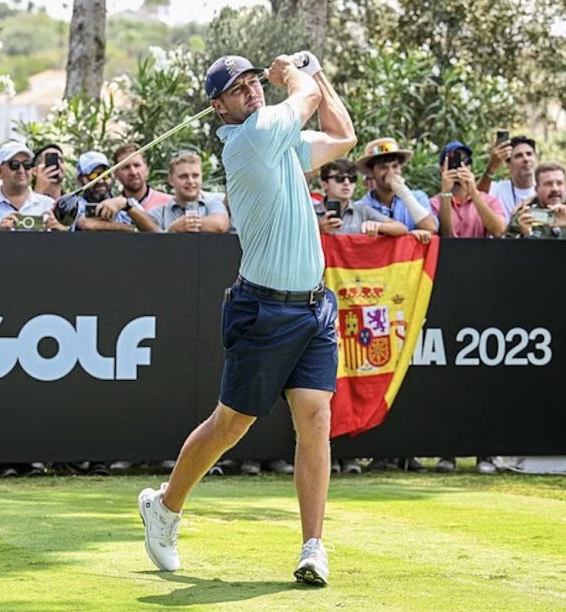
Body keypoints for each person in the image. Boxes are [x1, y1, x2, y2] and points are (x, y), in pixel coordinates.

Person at [138, 50, 355, 586]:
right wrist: (295, 73)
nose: (253, 90)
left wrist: (319, 74)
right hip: (263, 307)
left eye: (256, 82)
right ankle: (165, 507)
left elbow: (343, 135)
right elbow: (301, 100)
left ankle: (313, 547)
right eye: (239, 89)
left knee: (315, 422)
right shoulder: (253, 139)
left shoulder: (277, 137)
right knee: (230, 425)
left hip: (313, 307)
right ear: (220, 108)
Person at [353, 137, 437, 242]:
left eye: (395, 166)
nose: (391, 172)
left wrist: (404, 193)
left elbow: (431, 228)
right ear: (371, 172)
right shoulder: (360, 207)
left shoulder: (418, 197)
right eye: (384, 167)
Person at [504, 161, 566, 240]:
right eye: (548, 184)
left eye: (559, 183)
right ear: (537, 190)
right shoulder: (525, 216)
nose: (555, 189)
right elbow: (504, 252)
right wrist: (525, 235)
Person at [432, 140, 506, 239]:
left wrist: (474, 192)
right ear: (442, 169)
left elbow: (499, 231)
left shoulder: (489, 201)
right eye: (454, 162)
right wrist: (445, 193)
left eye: (466, 161)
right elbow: (446, 235)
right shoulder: (434, 203)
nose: (460, 166)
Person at [316, 158, 407, 238]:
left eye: (352, 178)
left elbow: (402, 228)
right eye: (339, 178)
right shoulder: (310, 212)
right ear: (324, 184)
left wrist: (378, 226)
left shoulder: (362, 210)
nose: (347, 183)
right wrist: (318, 230)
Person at [73, 150, 160, 233]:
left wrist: (127, 206)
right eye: (94, 176)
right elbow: (87, 225)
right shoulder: (74, 204)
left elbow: (155, 230)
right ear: (80, 180)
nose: (100, 181)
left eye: (105, 175)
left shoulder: (125, 203)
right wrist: (131, 229)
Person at [146, 150, 231, 233]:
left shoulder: (213, 204)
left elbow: (221, 225)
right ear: (171, 180)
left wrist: (186, 224)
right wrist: (171, 230)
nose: (190, 181)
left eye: (195, 176)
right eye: (183, 176)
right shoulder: (158, 214)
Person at [111, 143, 173, 211]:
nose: (133, 172)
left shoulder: (169, 204)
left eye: (137, 165)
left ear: (146, 169)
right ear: (116, 174)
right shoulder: (111, 208)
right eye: (126, 167)